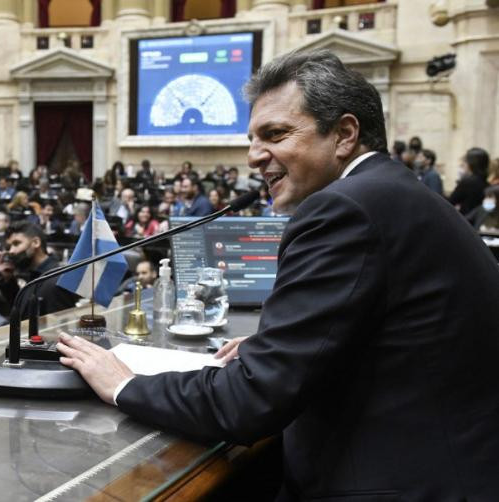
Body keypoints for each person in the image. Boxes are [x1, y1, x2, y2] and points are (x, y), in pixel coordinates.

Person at [57, 50, 499, 500]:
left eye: (275, 134)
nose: (253, 156)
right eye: (252, 138)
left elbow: (250, 401)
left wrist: (125, 384)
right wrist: (287, 345)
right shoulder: (391, 191)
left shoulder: (344, 209)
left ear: (345, 134)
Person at [2, 221, 79, 318]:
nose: (11, 251)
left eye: (16, 243)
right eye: (9, 247)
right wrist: (8, 279)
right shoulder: (32, 275)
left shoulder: (54, 281)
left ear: (36, 242)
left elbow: (58, 329)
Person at [449, 147, 490, 215]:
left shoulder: (467, 182)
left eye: (465, 162)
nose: (463, 165)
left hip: (466, 219)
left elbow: (451, 201)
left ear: (471, 163)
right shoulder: (485, 181)